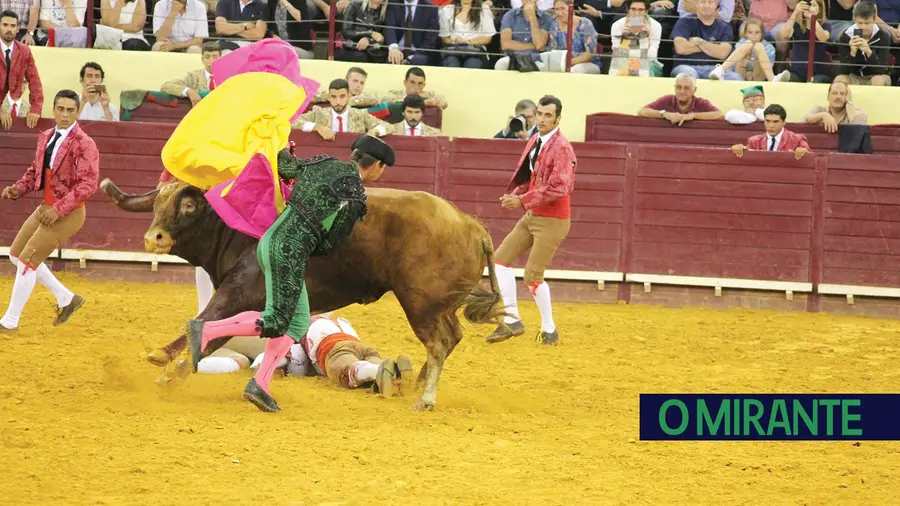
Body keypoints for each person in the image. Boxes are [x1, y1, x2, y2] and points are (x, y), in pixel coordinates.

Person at [186, 134, 397, 412]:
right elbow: (331, 242)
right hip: (290, 252)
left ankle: (260, 384)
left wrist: (280, 140)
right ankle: (207, 330)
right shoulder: (355, 195)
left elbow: (282, 165)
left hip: (269, 241)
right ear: (377, 165)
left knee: (297, 323)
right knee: (276, 319)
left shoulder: (323, 163)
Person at [0, 89, 99, 332]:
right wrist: (17, 189)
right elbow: (35, 171)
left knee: (27, 261)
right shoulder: (45, 136)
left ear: (77, 112)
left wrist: (58, 209)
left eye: (70, 110)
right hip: (46, 208)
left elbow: (88, 185)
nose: (65, 115)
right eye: (61, 109)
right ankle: (66, 298)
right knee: (16, 254)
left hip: (69, 212)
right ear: (53, 110)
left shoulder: (85, 143)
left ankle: (9, 322)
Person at [485, 95, 575, 346]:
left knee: (533, 275)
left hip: (553, 219)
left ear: (558, 119)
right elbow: (531, 177)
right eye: (540, 114)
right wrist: (515, 194)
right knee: (499, 261)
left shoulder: (563, 147)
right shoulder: (535, 140)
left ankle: (549, 330)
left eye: (548, 115)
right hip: (533, 214)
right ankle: (513, 319)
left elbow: (560, 187)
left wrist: (523, 201)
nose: (543, 119)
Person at [286, 314, 414, 395]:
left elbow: (296, 362)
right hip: (358, 343)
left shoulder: (294, 331)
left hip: (333, 348)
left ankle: (377, 371)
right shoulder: (328, 318)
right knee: (376, 364)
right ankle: (395, 372)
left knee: (348, 372)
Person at [731, 103, 811, 159]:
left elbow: (811, 157)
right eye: (768, 121)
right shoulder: (754, 141)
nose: (771, 125)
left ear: (783, 122)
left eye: (775, 122)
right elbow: (745, 155)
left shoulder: (797, 139)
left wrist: (804, 152)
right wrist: (740, 149)